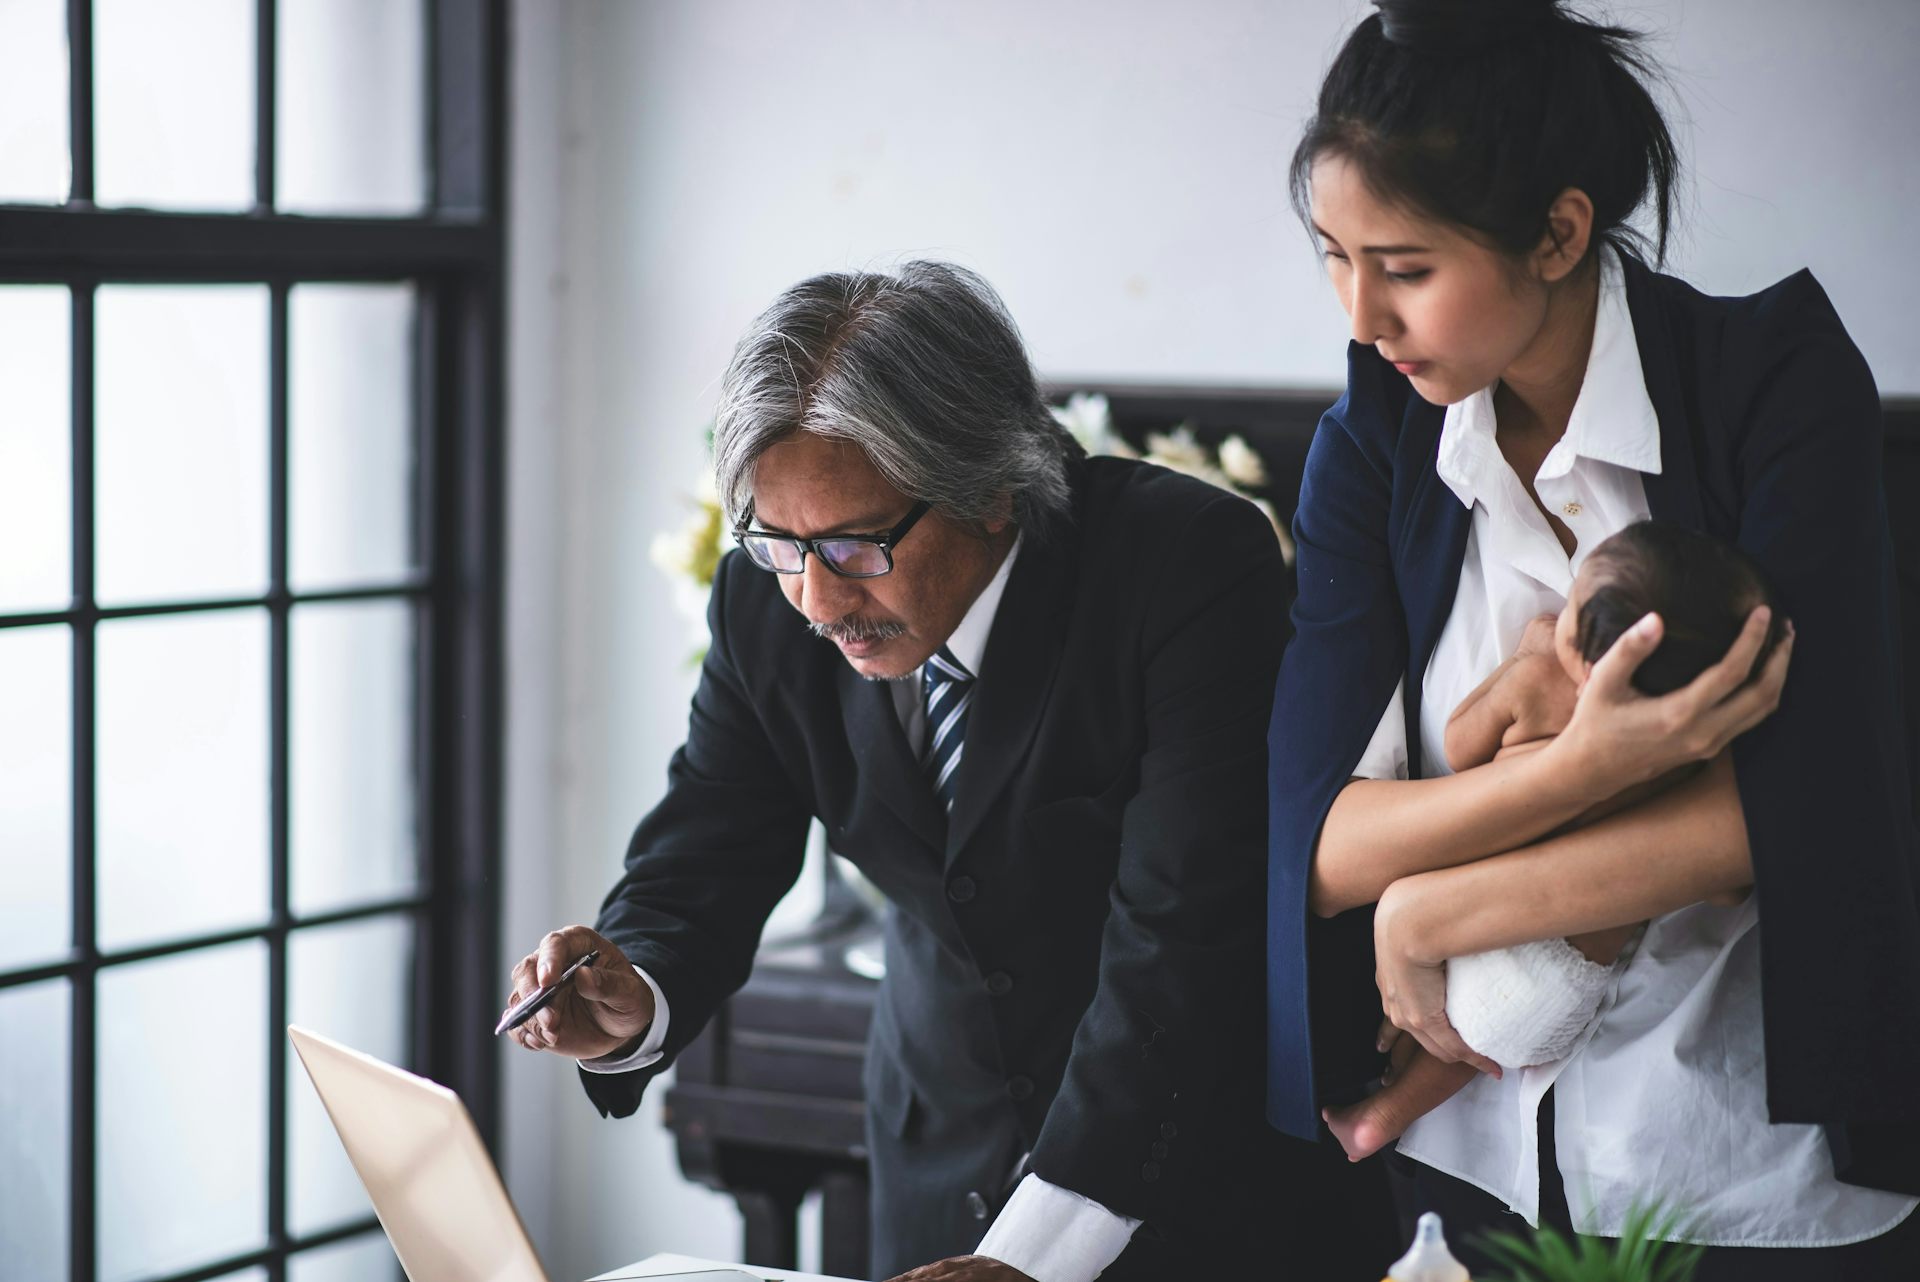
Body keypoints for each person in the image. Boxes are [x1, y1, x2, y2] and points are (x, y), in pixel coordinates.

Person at [505, 262, 1393, 1281]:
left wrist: (1028, 1252)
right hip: (939, 1176)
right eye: (780, 543)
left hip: (1194, 1198)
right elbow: (711, 835)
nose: (816, 600)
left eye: (854, 546)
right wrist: (636, 988)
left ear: (990, 491)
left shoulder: (1182, 565)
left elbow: (1185, 935)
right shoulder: (769, 602)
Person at [1264, 1, 1920, 1277]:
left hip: (1751, 1179)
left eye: (1404, 268)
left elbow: (1805, 810)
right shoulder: (1376, 444)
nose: (1360, 316)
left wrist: (1434, 909)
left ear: (1560, 233)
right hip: (1474, 1177)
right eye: (1333, 254)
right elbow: (1325, 844)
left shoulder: (1771, 389)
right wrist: (1584, 768)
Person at [1323, 520, 1787, 1162]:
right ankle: (1383, 1116)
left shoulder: (1541, 680)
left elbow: (1461, 745)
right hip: (1564, 984)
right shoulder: (1692, 746)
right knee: (1478, 1042)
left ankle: (1379, 1113)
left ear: (1578, 639)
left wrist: (1520, 662)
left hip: (1474, 919)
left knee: (1448, 1026)